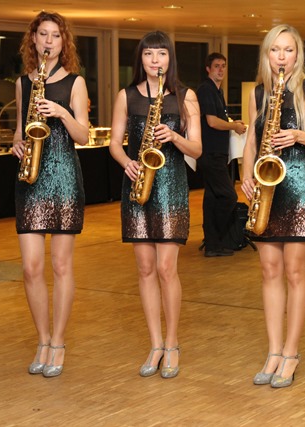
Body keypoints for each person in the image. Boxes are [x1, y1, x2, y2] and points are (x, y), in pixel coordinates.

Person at [241, 24, 305, 388]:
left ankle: (291, 353)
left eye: (289, 50)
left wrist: (298, 135)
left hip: (298, 185)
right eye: (275, 50)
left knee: (295, 272)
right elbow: (251, 140)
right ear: (266, 55)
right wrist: (246, 175)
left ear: (298, 55)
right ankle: (273, 351)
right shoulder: (258, 92)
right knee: (269, 270)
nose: (281, 57)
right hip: (266, 185)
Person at [109, 31, 201, 379]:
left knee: (166, 269)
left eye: (161, 54)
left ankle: (173, 343)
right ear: (141, 59)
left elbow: (197, 149)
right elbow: (115, 144)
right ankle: (155, 344)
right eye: (148, 54)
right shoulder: (126, 95)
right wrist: (126, 162)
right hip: (137, 187)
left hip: (171, 187)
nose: (155, 60)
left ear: (169, 59)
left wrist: (174, 136)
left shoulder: (186, 96)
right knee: (145, 269)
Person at [11, 11, 89, 378]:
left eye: (55, 36)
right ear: (33, 39)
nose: (48, 41)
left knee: (60, 265)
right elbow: (18, 131)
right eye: (43, 34)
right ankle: (41, 340)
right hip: (30, 179)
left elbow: (83, 136)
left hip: (63, 178)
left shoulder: (75, 82)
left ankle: (58, 341)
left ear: (63, 41)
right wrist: (16, 144)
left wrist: (61, 112)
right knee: (31, 267)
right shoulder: (23, 82)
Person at [196, 52, 246, 257]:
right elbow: (212, 122)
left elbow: (218, 119)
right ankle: (217, 237)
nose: (221, 70)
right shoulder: (206, 89)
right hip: (210, 153)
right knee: (228, 195)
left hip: (216, 152)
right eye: (216, 66)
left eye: (223, 66)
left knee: (213, 198)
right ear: (208, 69)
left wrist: (232, 123)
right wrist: (234, 126)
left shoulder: (218, 91)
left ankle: (213, 244)